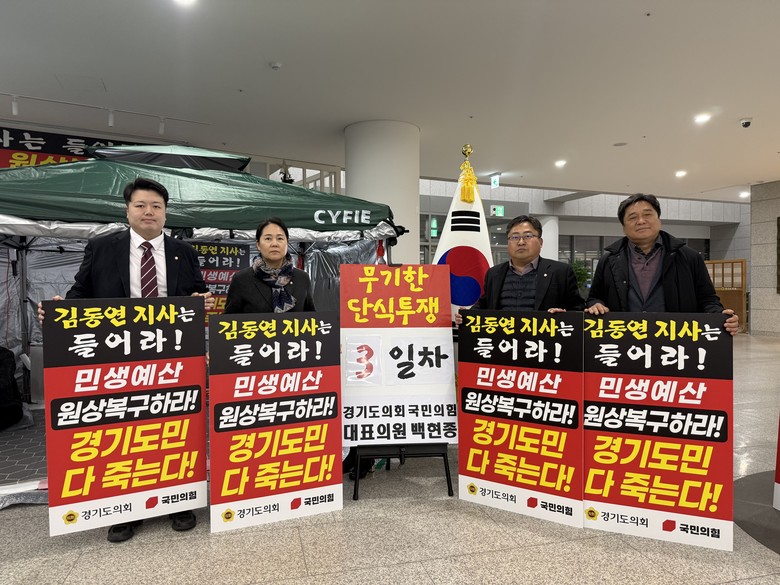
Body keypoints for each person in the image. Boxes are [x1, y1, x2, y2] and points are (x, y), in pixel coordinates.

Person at [39, 177, 214, 542]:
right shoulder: (103, 247)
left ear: (166, 213)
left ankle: (179, 500)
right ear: (127, 210)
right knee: (124, 431)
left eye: (156, 206)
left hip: (172, 358)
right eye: (141, 205)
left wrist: (203, 301)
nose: (149, 212)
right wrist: (59, 312)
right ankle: (125, 509)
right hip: (118, 359)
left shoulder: (183, 251)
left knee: (174, 428)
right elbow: (80, 293)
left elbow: (195, 294)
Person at [584, 193, 739, 335]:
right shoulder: (608, 260)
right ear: (623, 227)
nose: (641, 221)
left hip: (675, 341)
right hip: (625, 339)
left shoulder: (689, 257)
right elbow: (594, 298)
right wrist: (596, 304)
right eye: (632, 217)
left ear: (659, 219)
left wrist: (720, 316)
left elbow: (708, 299)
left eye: (647, 215)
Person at [456, 215, 583, 326]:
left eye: (528, 236)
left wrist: (565, 315)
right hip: (503, 340)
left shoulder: (561, 272)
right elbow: (485, 304)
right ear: (508, 242)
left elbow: (578, 308)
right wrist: (467, 316)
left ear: (540, 242)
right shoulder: (494, 273)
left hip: (543, 341)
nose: (521, 242)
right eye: (515, 237)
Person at [223, 217, 315, 314]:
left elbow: (312, 318)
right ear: (258, 244)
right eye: (268, 238)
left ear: (287, 243)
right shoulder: (241, 279)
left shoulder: (302, 278)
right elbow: (229, 320)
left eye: (280, 238)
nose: (274, 244)